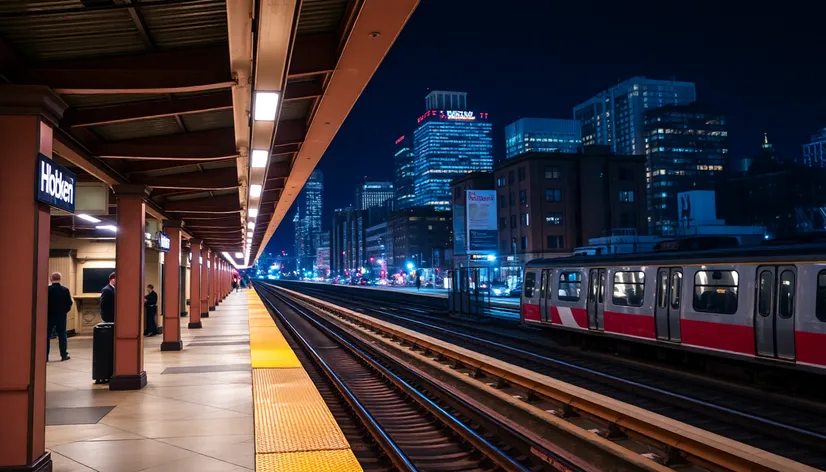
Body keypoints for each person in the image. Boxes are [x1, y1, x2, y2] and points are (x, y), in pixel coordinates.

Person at [47, 272, 73, 361]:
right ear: (60, 279)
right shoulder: (65, 290)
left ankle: (45, 356)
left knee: (46, 336)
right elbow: (69, 303)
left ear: (51, 279)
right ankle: (63, 355)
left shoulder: (47, 290)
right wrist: (64, 311)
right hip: (61, 316)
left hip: (49, 316)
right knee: (62, 335)